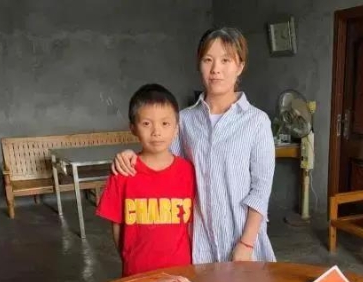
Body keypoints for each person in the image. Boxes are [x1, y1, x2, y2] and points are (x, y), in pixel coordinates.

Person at [111, 27, 276, 263]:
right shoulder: (185, 120)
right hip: (199, 244)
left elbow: (261, 190)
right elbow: (163, 161)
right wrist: (132, 155)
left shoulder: (257, 122)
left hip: (243, 241)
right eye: (208, 60)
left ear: (240, 66)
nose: (216, 69)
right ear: (199, 65)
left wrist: (246, 243)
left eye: (225, 60)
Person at [96, 83, 195, 277]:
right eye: (147, 124)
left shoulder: (188, 171)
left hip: (181, 273)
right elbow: (116, 225)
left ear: (176, 128)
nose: (156, 132)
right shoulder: (123, 172)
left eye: (165, 123)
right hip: (136, 273)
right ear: (133, 128)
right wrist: (127, 258)